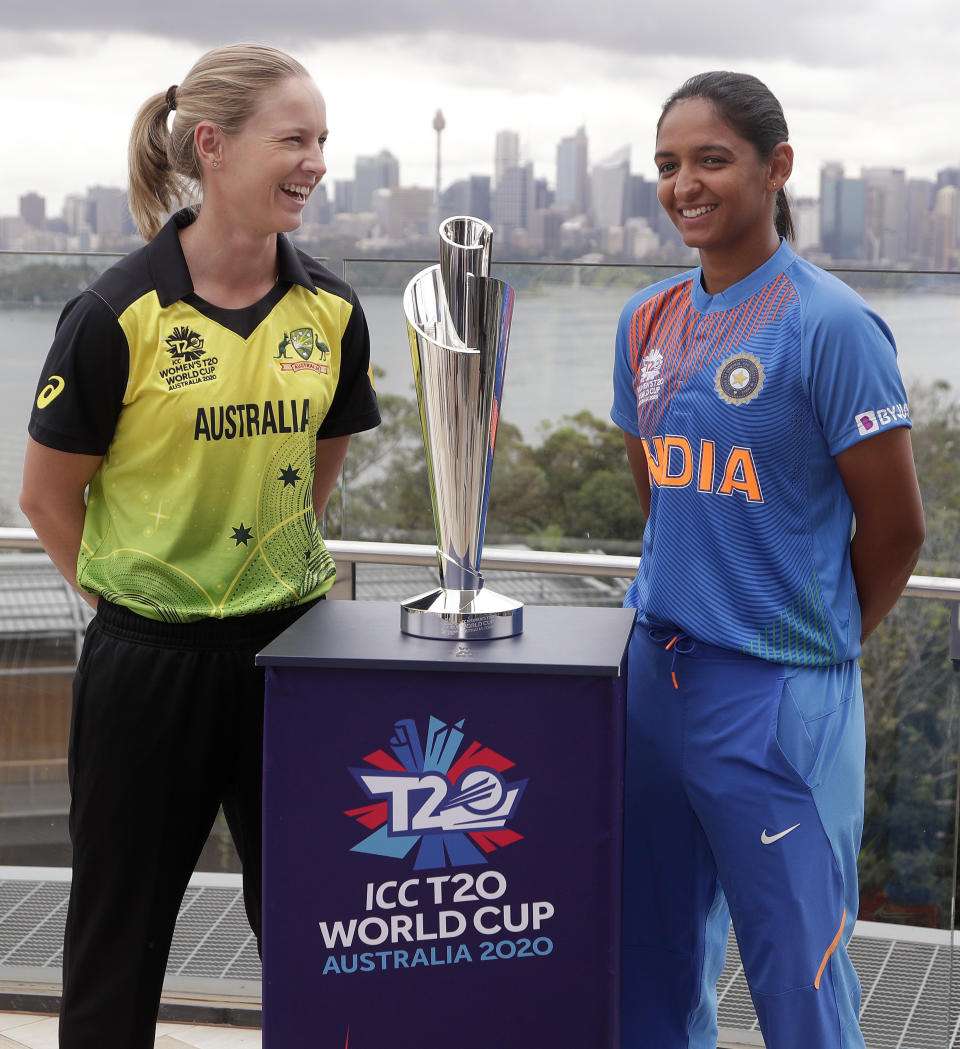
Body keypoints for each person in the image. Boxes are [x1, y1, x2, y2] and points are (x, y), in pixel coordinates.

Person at [19, 43, 380, 1049]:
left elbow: (319, 468)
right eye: (295, 139)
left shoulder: (334, 310)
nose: (315, 162)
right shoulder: (113, 312)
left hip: (293, 658)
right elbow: (49, 499)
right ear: (212, 147)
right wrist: (135, 608)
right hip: (148, 663)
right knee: (116, 947)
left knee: (320, 934)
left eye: (322, 141)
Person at [611, 71, 924, 1049]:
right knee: (646, 967)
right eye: (669, 164)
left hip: (780, 696)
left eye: (712, 159)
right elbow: (657, 488)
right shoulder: (645, 322)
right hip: (653, 679)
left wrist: (811, 644)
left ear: (775, 167)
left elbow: (899, 529)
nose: (685, 184)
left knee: (803, 980)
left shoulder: (829, 324)